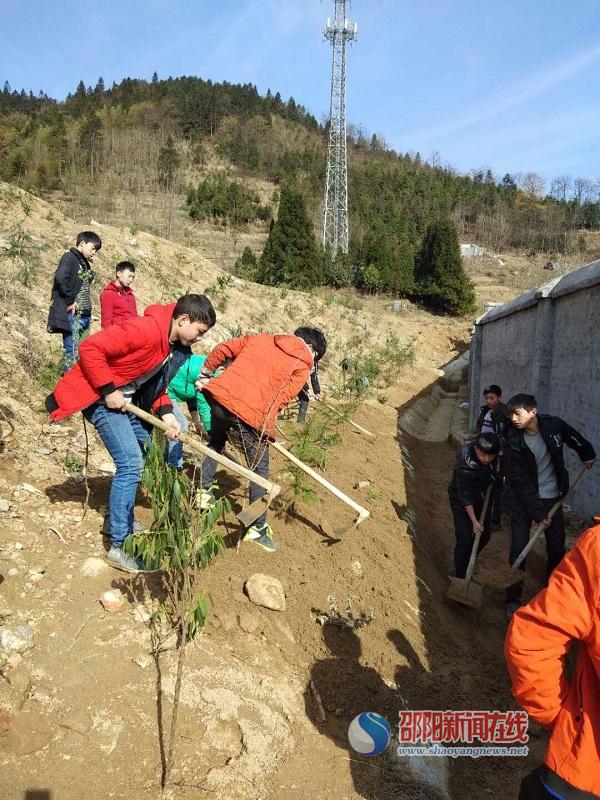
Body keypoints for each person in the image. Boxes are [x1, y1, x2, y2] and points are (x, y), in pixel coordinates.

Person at [45, 294, 216, 574]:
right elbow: (90, 348)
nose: (200, 338)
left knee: (149, 452)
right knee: (131, 463)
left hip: (128, 403)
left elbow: (156, 389)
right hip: (100, 399)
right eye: (199, 331)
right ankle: (119, 545)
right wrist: (109, 390)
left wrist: (168, 415)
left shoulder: (177, 349)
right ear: (183, 319)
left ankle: (116, 519)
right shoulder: (145, 330)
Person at [196, 326, 327, 552]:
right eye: (317, 357)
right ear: (313, 350)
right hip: (250, 414)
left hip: (219, 399)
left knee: (217, 440)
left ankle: (202, 493)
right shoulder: (304, 364)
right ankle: (257, 528)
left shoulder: (263, 338)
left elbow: (224, 348)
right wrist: (265, 423)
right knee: (260, 470)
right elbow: (283, 398)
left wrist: (206, 373)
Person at [505, 520, 600, 799]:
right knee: (518, 536)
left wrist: (562, 719)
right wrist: (536, 507)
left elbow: (530, 643)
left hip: (584, 768)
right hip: (527, 505)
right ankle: (514, 592)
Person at [502, 393, 595, 619]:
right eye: (511, 414)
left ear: (532, 411)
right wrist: (538, 513)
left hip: (552, 496)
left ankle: (551, 592)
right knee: (519, 547)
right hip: (523, 500)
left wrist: (587, 454)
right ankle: (513, 598)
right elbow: (520, 483)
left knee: (556, 547)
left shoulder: (553, 426)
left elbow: (574, 438)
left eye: (517, 413)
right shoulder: (513, 441)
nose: (513, 418)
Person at [447, 432, 500, 580]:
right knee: (465, 538)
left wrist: (496, 466)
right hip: (461, 500)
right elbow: (466, 497)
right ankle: (459, 575)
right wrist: (474, 521)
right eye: (483, 455)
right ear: (476, 449)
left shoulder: (492, 456)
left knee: (484, 536)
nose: (487, 459)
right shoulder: (465, 464)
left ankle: (466, 563)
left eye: (491, 456)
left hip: (482, 496)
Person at [47, 231, 102, 371]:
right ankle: (68, 387)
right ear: (82, 244)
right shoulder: (69, 258)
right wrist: (70, 300)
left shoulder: (83, 262)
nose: (94, 252)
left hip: (84, 314)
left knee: (81, 353)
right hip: (74, 314)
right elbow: (60, 278)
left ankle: (75, 385)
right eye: (92, 248)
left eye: (96, 250)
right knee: (72, 353)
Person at [166, 354, 213, 470]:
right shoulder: (208, 374)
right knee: (181, 425)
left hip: (171, 388)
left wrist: (196, 422)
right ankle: (173, 467)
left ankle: (173, 463)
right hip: (165, 389)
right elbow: (204, 406)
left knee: (181, 425)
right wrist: (212, 434)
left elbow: (192, 397)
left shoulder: (209, 364)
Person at [476, 384, 509, 530]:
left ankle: (495, 521)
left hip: (497, 456)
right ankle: (483, 515)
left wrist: (499, 460)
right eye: (486, 398)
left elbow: (502, 438)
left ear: (499, 398)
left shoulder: (502, 413)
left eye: (492, 398)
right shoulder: (486, 411)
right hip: (485, 452)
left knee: (497, 489)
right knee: (483, 484)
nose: (488, 400)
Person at [100, 261, 138, 328]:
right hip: (117, 333)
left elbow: (134, 317)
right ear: (118, 273)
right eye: (129, 276)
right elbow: (106, 322)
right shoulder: (108, 294)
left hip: (132, 333)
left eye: (133, 277)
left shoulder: (130, 295)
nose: (131, 280)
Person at [297, 358, 321, 423]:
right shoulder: (304, 359)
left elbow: (314, 379)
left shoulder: (315, 363)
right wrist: (308, 389)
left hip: (301, 384)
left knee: (305, 398)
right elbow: (299, 376)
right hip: (291, 380)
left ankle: (300, 422)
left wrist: (317, 393)